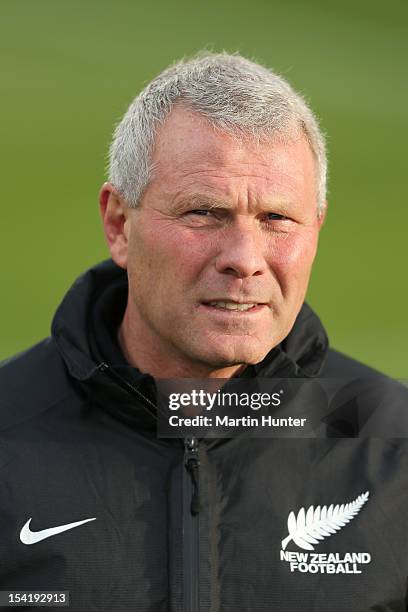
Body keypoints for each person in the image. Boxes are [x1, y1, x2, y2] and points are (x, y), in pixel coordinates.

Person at [0, 52, 407, 612]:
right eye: (205, 213)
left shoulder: (396, 451)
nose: (245, 259)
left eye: (277, 219)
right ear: (119, 224)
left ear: (317, 229)